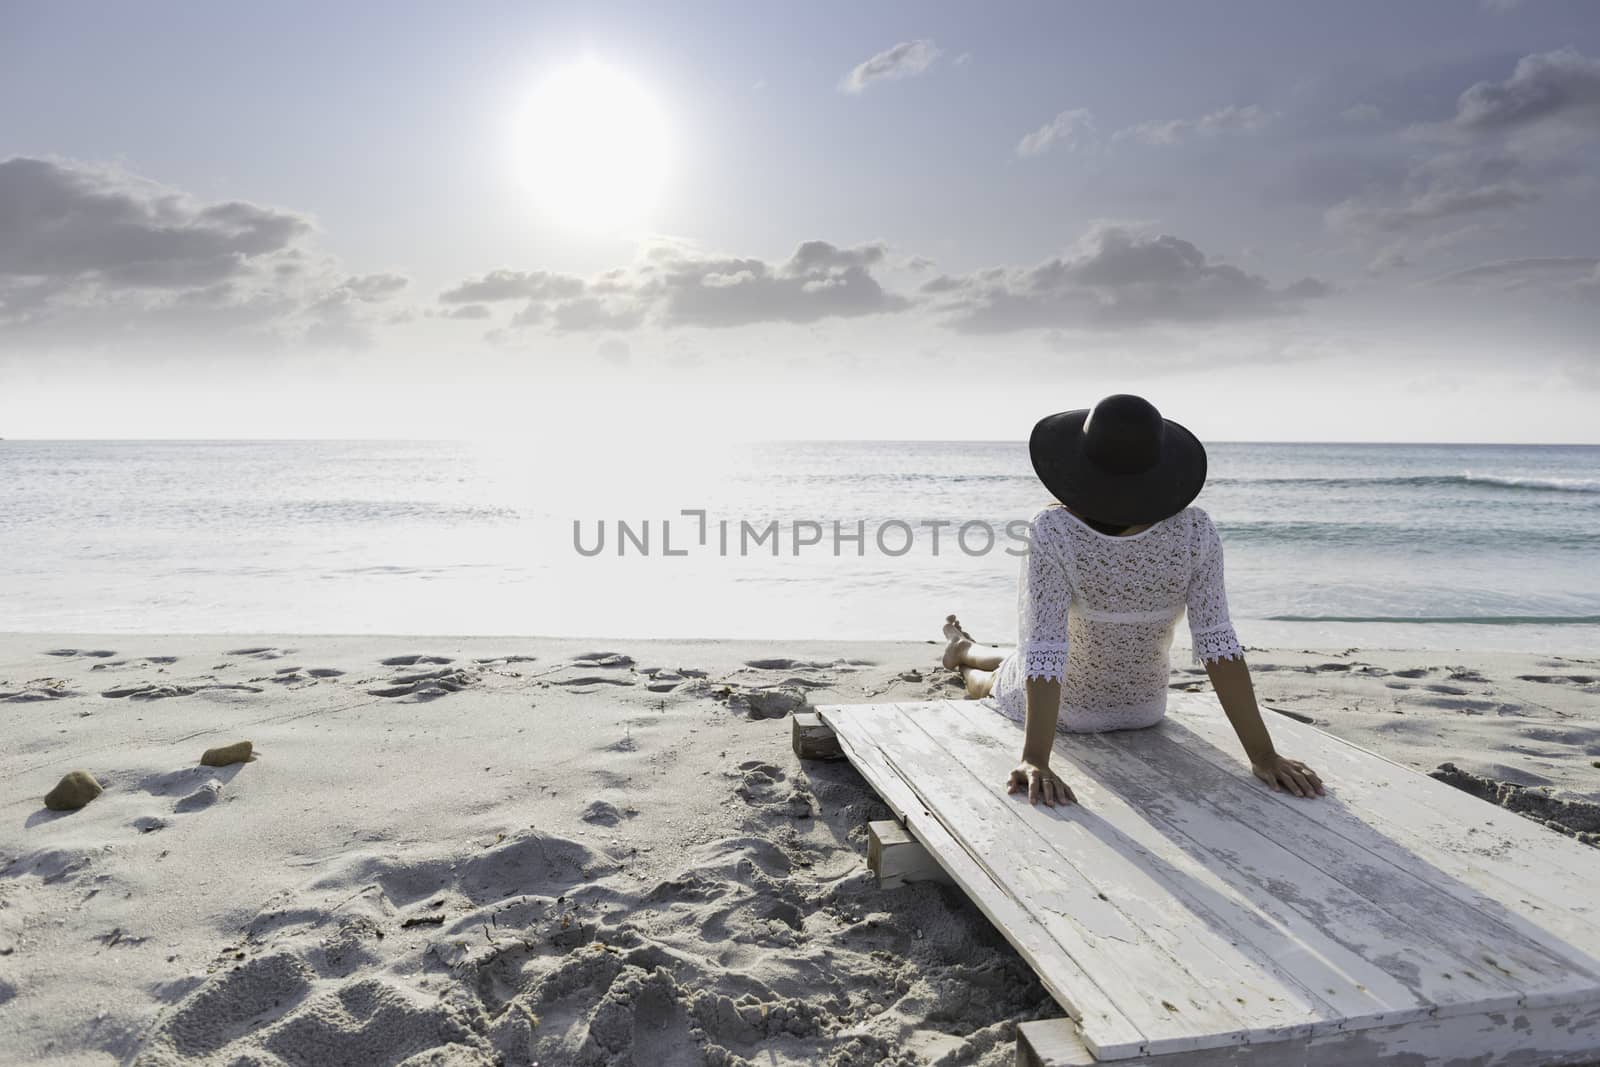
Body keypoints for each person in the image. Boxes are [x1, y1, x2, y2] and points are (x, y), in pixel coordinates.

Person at [940, 394, 1325, 807]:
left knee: (999, 682)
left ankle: (963, 656)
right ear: (1158, 470)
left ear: (1080, 467)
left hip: (1070, 712)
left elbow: (1045, 649)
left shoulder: (1054, 528)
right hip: (1144, 709)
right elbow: (1219, 647)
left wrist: (1035, 759)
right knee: (1021, 658)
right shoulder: (1197, 530)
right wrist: (1263, 756)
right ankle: (966, 647)